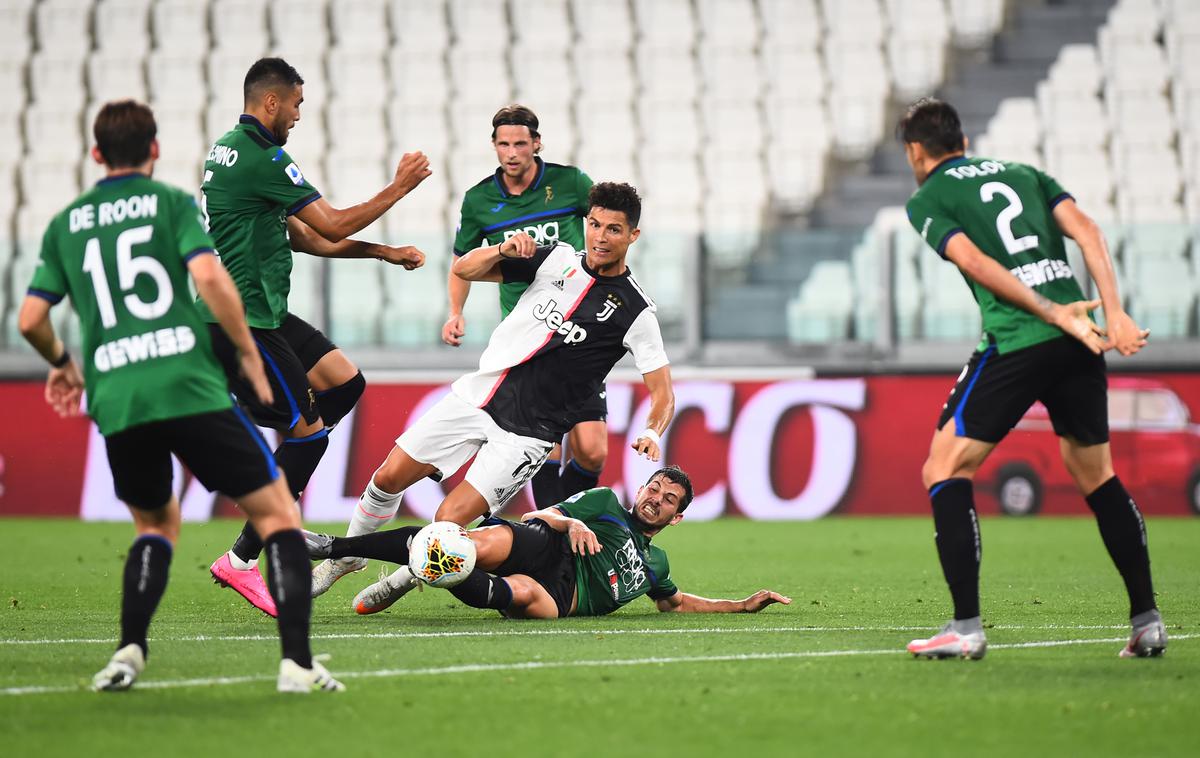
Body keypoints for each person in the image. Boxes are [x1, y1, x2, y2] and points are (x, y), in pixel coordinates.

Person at [18, 100, 342, 692]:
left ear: (95, 154)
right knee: (277, 513)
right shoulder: (169, 204)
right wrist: (246, 350)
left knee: (154, 526)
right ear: (155, 150)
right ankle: (296, 663)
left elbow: (31, 318)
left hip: (118, 395)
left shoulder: (66, 223)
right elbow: (213, 278)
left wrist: (64, 364)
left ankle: (129, 653)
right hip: (185, 382)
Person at [311, 182, 676, 606]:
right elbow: (465, 268)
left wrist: (652, 430)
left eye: (613, 230)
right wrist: (502, 250)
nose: (600, 237)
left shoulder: (636, 310)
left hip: (528, 433)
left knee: (448, 523)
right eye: (594, 225)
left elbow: (663, 392)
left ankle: (403, 579)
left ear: (633, 236)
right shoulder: (556, 258)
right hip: (480, 394)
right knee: (388, 477)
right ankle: (348, 557)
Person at [896, 98, 1164, 660]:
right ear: (963, 142)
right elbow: (1088, 231)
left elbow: (972, 261)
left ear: (916, 152)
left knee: (944, 466)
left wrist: (1045, 310)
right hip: (1083, 337)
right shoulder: (1026, 173)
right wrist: (1113, 312)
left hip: (1021, 338)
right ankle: (1147, 621)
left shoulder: (928, 198)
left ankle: (965, 627)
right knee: (1096, 475)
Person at [200, 57, 432, 615]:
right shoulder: (263, 157)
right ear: (272, 101)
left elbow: (307, 239)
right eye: (298, 103)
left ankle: (273, 463)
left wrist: (385, 252)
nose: (300, 115)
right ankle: (243, 556)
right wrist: (399, 187)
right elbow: (330, 223)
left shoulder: (231, 151)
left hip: (268, 315)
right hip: (244, 323)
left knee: (345, 384)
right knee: (309, 437)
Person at [304, 466, 790, 618]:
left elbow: (677, 604)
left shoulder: (656, 565)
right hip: (547, 545)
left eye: (668, 501)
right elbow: (543, 513)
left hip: (563, 595)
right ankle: (332, 548)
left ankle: (423, 568)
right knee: (471, 541)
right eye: (653, 490)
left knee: (517, 595)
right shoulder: (602, 503)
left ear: (677, 517)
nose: (655, 500)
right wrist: (571, 524)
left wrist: (740, 605)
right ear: (641, 489)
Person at [443, 104, 606, 509]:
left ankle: (564, 517)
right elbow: (461, 262)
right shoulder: (479, 200)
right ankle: (560, 532)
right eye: (503, 144)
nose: (512, 152)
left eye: (520, 143)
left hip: (577, 328)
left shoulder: (569, 183)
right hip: (525, 336)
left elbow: (606, 221)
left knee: (592, 450)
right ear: (495, 147)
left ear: (537, 144)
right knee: (543, 445)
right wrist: (455, 312)